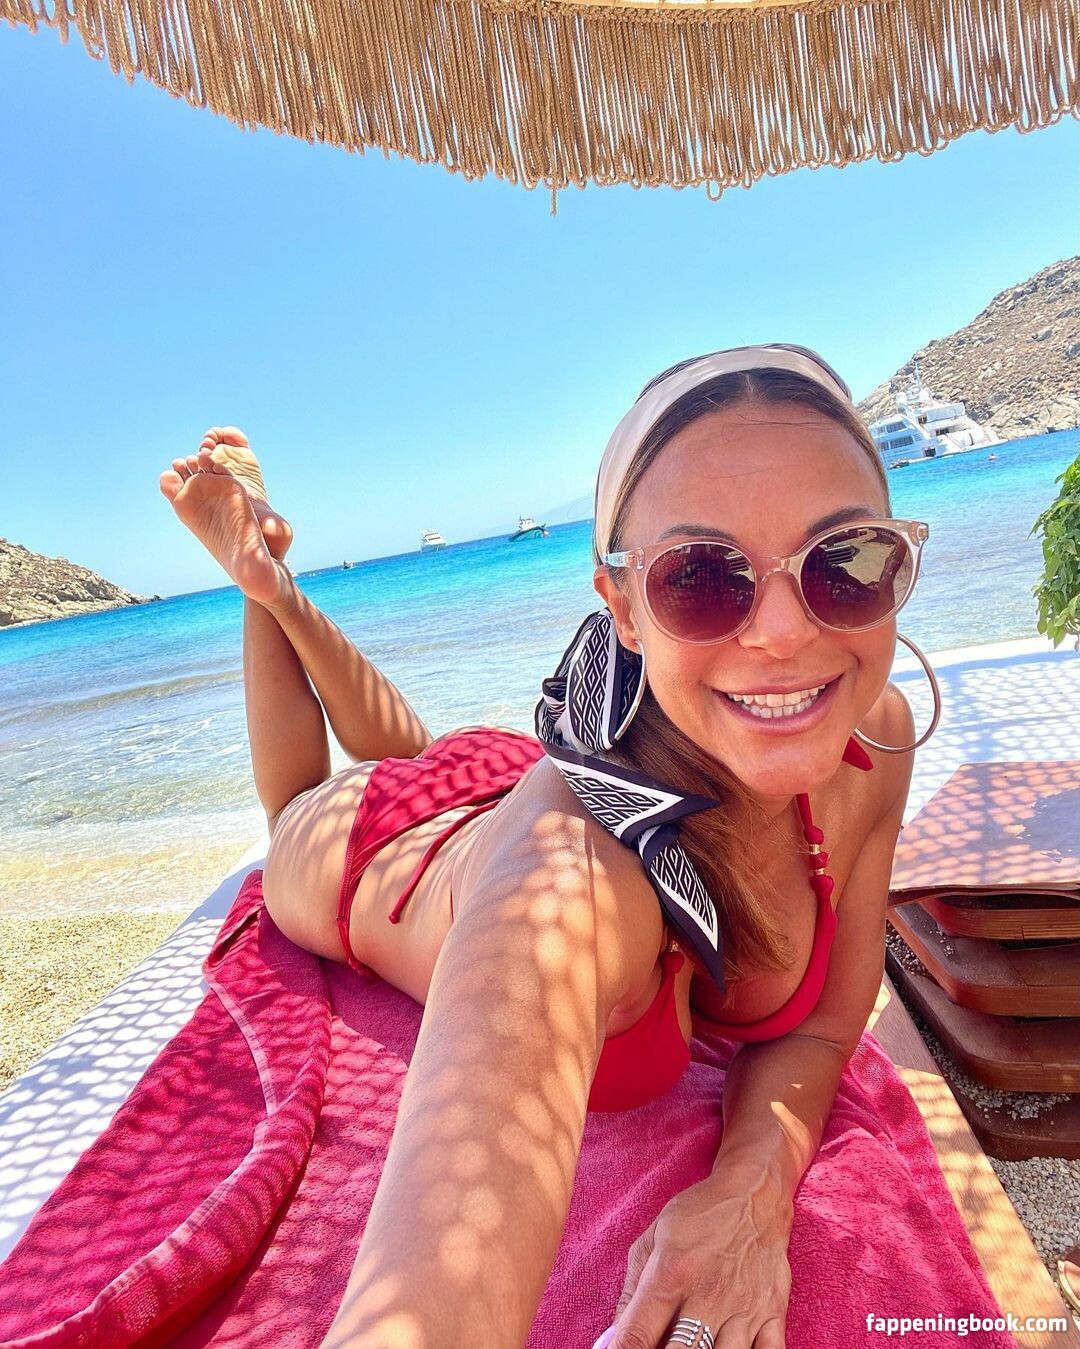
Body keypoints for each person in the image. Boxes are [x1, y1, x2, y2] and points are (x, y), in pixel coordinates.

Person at [159, 344, 939, 1349]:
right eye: (704, 577)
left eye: (847, 559)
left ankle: (276, 578)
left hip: (500, 767)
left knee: (417, 748)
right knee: (303, 798)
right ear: (622, 606)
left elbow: (822, 1033)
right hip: (384, 848)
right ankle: (262, 582)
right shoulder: (566, 883)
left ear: (899, 560)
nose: (786, 633)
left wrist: (752, 1185)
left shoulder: (874, 734)